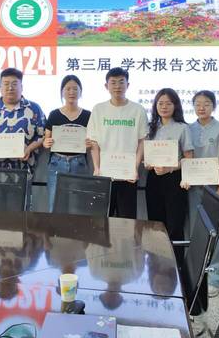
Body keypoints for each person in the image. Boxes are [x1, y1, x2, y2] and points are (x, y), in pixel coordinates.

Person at [0, 68, 46, 209]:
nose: (10, 88)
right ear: (0, 87)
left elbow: (42, 135)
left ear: (21, 86)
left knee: (18, 215)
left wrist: (29, 149)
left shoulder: (34, 109)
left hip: (22, 172)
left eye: (14, 84)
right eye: (6, 84)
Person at [87, 67, 148, 219]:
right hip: (105, 174)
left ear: (128, 85)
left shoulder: (138, 110)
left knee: (127, 220)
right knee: (102, 219)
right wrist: (97, 168)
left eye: (121, 82)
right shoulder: (98, 109)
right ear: (106, 86)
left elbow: (142, 141)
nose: (117, 86)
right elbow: (94, 142)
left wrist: (135, 168)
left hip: (128, 175)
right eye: (113, 82)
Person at [187, 90, 219, 297]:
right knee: (196, 231)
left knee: (218, 234)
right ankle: (197, 274)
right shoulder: (189, 128)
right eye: (197, 103)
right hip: (194, 188)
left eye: (206, 103)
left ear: (214, 106)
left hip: (216, 188)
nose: (202, 107)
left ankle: (216, 278)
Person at [145, 88, 194, 239]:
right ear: (155, 106)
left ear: (175, 106)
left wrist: (170, 168)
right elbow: (146, 154)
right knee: (155, 224)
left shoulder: (182, 128)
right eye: (160, 103)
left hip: (174, 179)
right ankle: (156, 255)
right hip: (153, 178)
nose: (164, 107)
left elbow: (189, 158)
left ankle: (175, 255)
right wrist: (147, 163)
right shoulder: (150, 127)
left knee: (175, 224)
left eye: (168, 103)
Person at [43, 75, 91, 211]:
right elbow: (46, 139)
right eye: (68, 89)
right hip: (57, 163)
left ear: (81, 92)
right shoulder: (54, 114)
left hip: (79, 163)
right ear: (62, 92)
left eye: (75, 89)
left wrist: (89, 144)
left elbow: (93, 140)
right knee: (55, 206)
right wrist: (46, 143)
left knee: (78, 208)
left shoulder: (88, 115)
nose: (71, 92)